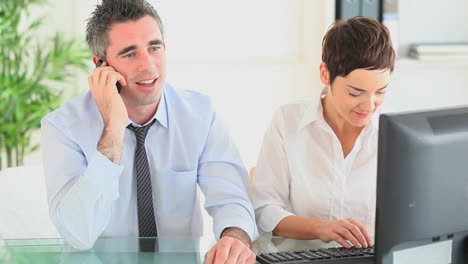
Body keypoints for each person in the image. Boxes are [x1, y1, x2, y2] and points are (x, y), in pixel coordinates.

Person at [40, 0, 257, 263]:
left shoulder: (201, 114)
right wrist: (113, 128)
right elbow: (78, 235)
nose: (148, 65)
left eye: (154, 48)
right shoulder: (63, 127)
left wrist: (234, 236)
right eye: (130, 53)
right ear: (101, 65)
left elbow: (231, 198)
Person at [251, 16, 395, 249]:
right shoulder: (288, 121)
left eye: (380, 91)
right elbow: (264, 210)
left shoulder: (395, 132)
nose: (369, 105)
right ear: (325, 74)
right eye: (355, 92)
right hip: (299, 258)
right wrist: (320, 228)